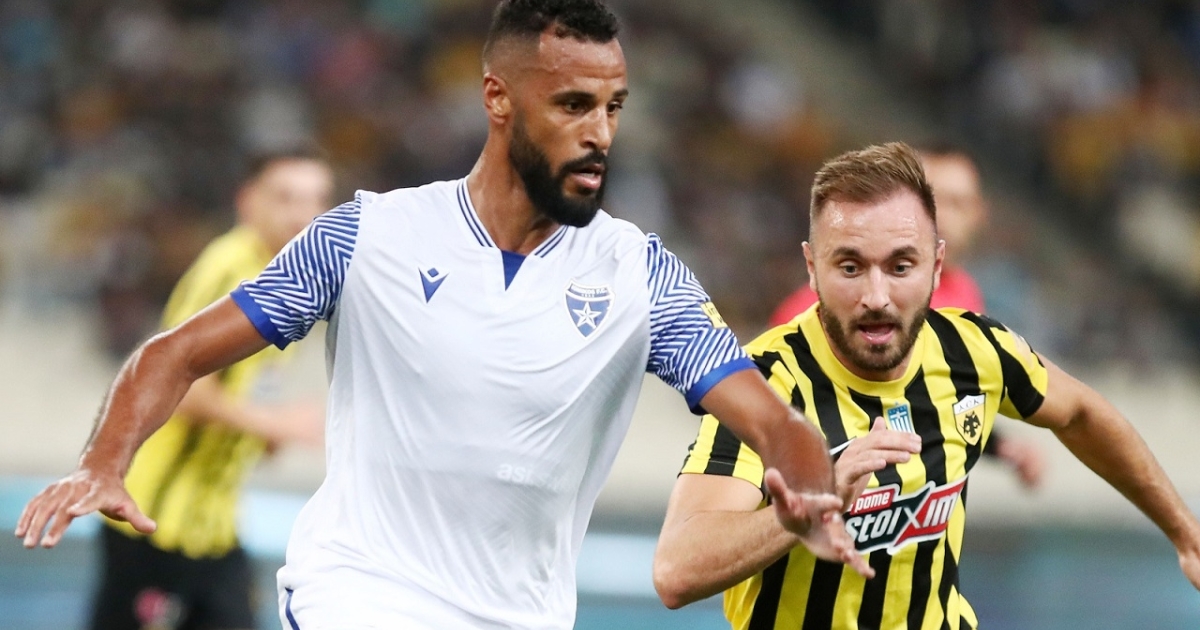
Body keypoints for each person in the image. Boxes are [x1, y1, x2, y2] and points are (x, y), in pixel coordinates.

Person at [15, 2, 872, 629]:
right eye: (573, 105)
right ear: (499, 99)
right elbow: (174, 352)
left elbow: (771, 420)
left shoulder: (641, 276)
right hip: (359, 595)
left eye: (613, 107)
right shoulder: (365, 237)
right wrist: (103, 462)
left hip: (523, 614)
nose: (601, 134)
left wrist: (806, 489)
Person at [652, 142, 1200, 629]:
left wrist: (1185, 533)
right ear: (811, 267)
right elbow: (676, 570)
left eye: (900, 267)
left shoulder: (974, 350)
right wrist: (802, 511)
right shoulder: (763, 382)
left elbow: (1080, 412)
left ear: (937, 267)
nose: (876, 297)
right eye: (850, 267)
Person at [85, 148, 333, 630]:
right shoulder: (230, 269)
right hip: (157, 525)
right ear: (248, 202)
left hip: (212, 527)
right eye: (285, 198)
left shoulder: (289, 278)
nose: (302, 214)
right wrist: (275, 423)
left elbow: (245, 386)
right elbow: (180, 383)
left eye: (315, 199)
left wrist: (261, 431)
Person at [768, 145, 1045, 489]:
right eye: (934, 200)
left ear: (978, 214)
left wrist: (1001, 446)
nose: (943, 216)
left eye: (957, 203)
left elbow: (939, 398)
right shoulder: (812, 310)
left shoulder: (965, 295)